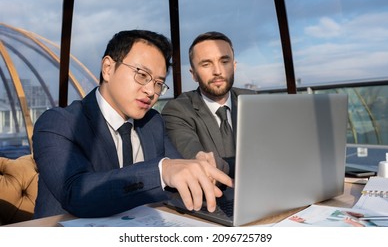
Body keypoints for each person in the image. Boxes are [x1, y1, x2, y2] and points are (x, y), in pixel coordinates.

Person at [32, 30, 232, 219]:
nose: (151, 91)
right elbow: (76, 193)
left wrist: (199, 171)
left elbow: (177, 173)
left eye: (158, 83)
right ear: (108, 68)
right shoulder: (59, 122)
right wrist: (161, 171)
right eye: (142, 75)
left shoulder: (153, 122)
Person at [161, 31, 255, 178]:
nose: (218, 71)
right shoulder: (177, 110)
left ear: (234, 66)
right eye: (206, 64)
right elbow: (197, 160)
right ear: (193, 74)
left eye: (224, 62)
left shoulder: (253, 101)